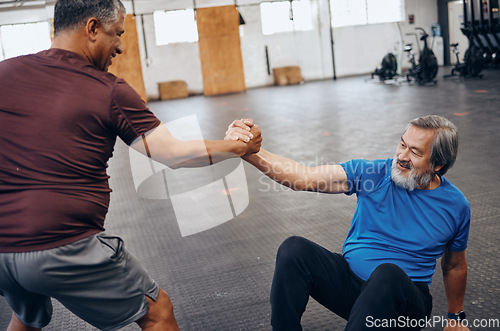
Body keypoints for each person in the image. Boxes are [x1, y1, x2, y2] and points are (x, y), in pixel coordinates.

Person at [0, 1, 261, 330]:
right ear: (92, 28)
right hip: (57, 245)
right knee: (157, 311)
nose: (121, 47)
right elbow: (173, 154)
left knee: (25, 315)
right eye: (117, 34)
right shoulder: (107, 90)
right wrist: (238, 146)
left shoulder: (4, 73)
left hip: (2, 250)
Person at [226, 115, 470, 331]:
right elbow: (302, 177)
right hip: (352, 288)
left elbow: (454, 266)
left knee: (387, 273)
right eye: (402, 144)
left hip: (404, 307)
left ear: (437, 165)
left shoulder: (455, 205)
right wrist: (248, 150)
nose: (401, 156)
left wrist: (455, 317)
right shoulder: (373, 173)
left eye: (415, 152)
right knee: (294, 249)